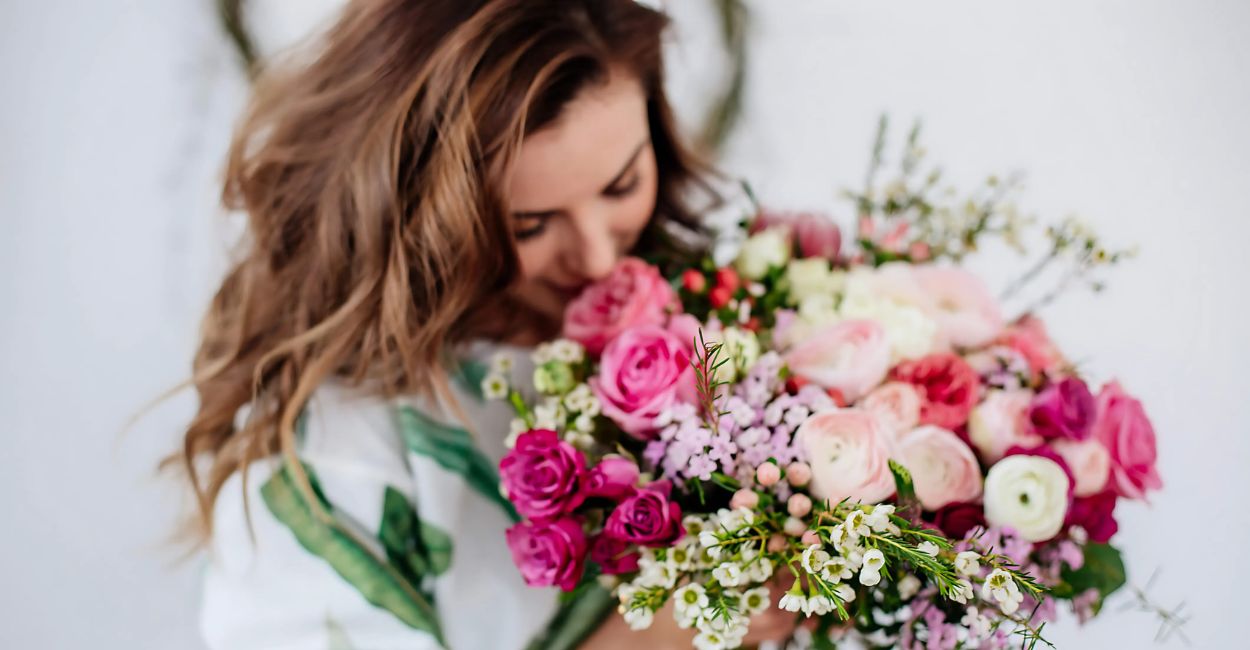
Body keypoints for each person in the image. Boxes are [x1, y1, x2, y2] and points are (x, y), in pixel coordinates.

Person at [171, 0, 800, 647]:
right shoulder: (335, 450)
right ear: (417, 211)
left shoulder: (719, 311)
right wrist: (660, 637)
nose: (595, 256)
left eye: (621, 185)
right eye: (529, 224)